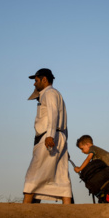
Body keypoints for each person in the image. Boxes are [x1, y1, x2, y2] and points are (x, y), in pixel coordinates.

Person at [23, 68, 73, 204]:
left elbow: (53, 114)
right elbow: (63, 120)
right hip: (59, 136)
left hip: (49, 137)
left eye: (36, 80)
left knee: (33, 172)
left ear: (44, 79)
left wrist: (50, 135)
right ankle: (68, 209)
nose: (34, 84)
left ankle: (24, 208)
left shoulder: (49, 93)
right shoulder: (55, 94)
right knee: (61, 174)